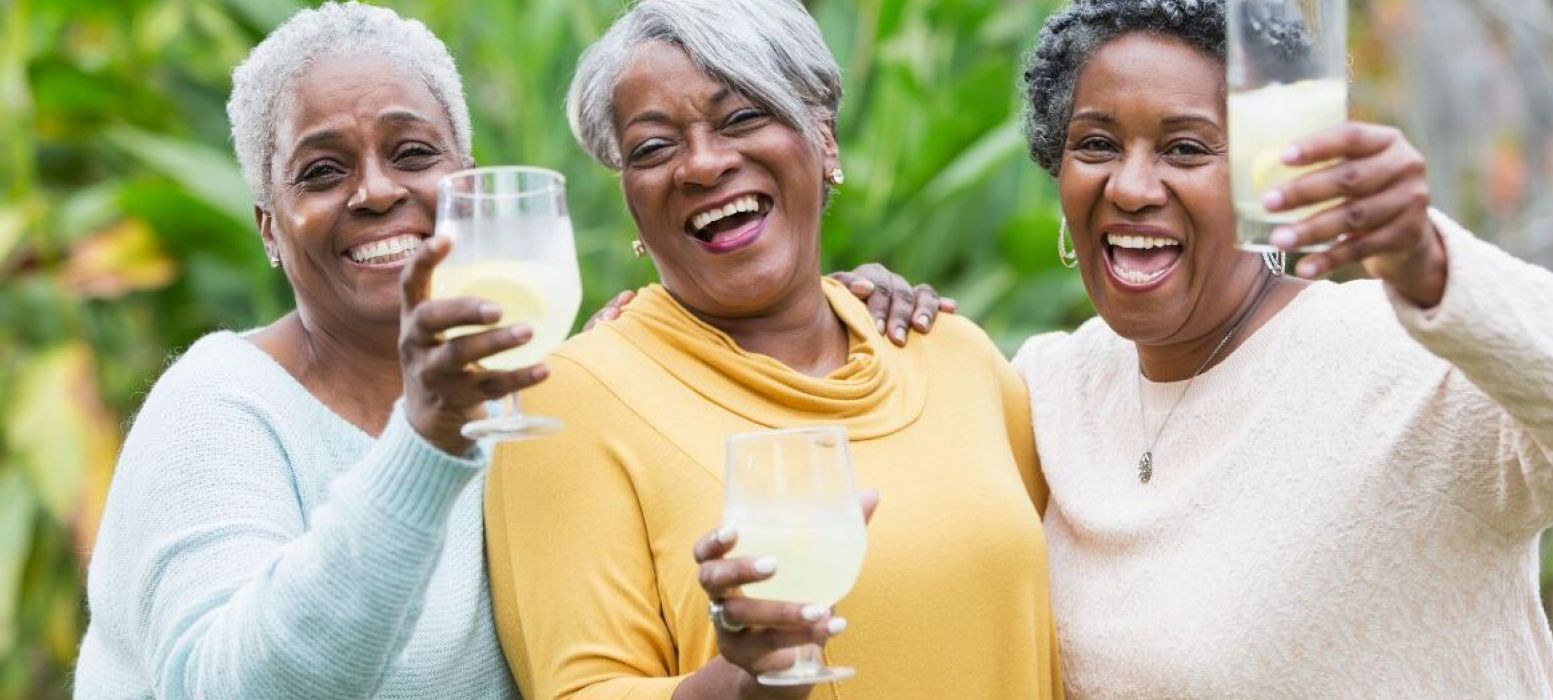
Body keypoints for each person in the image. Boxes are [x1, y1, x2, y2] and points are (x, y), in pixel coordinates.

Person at [73, 3, 932, 698]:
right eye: (322, 171)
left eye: (413, 153)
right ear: (269, 226)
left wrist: (818, 304)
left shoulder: (541, 397)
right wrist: (426, 440)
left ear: (468, 181)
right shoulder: (219, 406)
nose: (376, 191)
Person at [1011, 0, 1553, 696]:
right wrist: (888, 322)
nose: (1132, 188)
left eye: (1186, 149)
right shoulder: (1052, 389)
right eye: (1097, 145)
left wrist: (1433, 265)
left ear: (1268, 172)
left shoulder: (1395, 363)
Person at [482, 1, 1062, 699]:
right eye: (654, 148)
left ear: (824, 139)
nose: (703, 164)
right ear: (630, 198)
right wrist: (746, 681)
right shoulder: (573, 401)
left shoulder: (956, 356)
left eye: (742, 117)